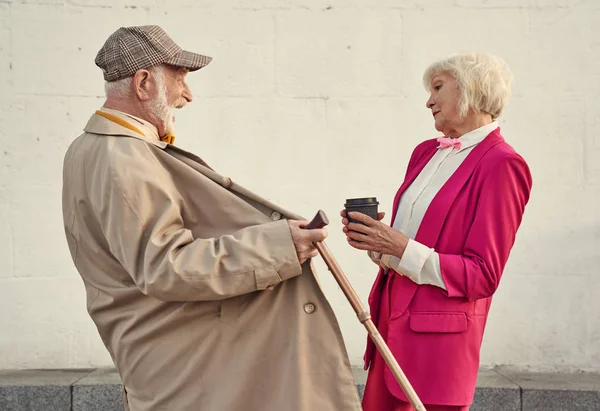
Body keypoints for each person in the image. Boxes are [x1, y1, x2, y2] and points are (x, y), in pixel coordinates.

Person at [62, 25, 362, 411]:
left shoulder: (87, 148)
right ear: (143, 83)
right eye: (179, 79)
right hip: (183, 369)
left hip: (168, 358)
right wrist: (280, 246)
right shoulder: (125, 157)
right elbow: (165, 267)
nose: (187, 94)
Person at [341, 52, 532, 411]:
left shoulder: (503, 165)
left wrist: (399, 246)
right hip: (389, 325)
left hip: (436, 347)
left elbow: (482, 276)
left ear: (472, 90)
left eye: (438, 88)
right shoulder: (425, 153)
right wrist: (376, 243)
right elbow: (412, 247)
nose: (428, 100)